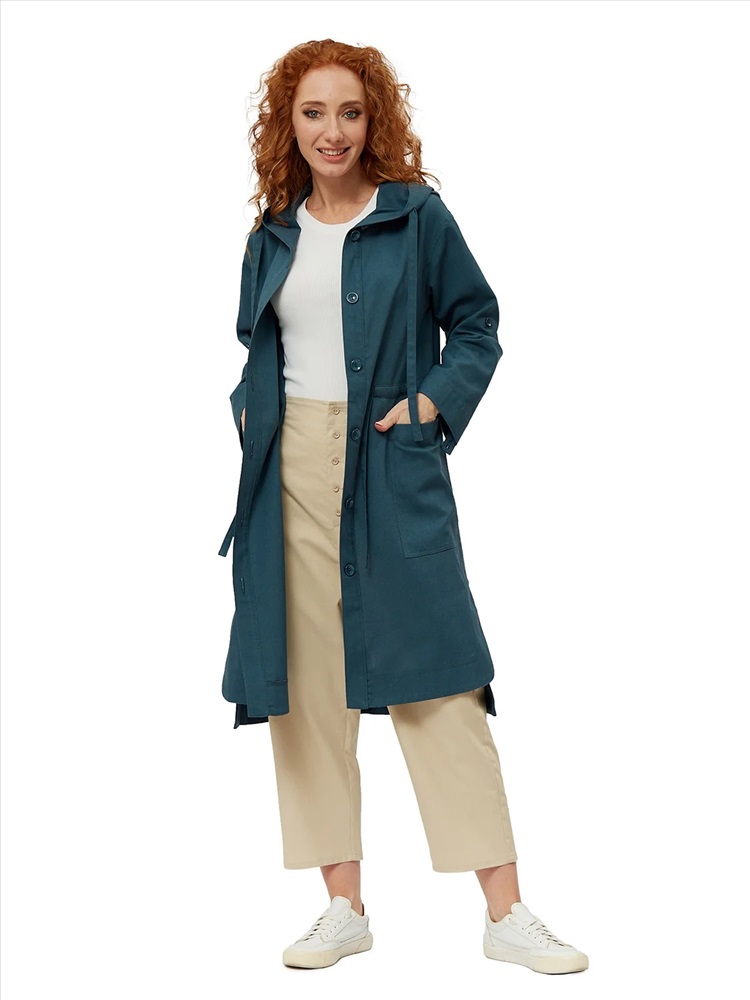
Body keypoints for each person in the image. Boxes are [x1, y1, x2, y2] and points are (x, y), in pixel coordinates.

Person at [218, 38, 588, 975]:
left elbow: (477, 323)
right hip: (286, 472)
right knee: (307, 688)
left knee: (438, 679)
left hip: (388, 458)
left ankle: (506, 913)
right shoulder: (272, 233)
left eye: (349, 111)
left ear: (373, 118)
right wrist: (250, 416)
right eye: (313, 113)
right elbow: (257, 348)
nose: (332, 131)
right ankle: (342, 907)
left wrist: (430, 404)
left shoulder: (415, 217)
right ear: (288, 124)